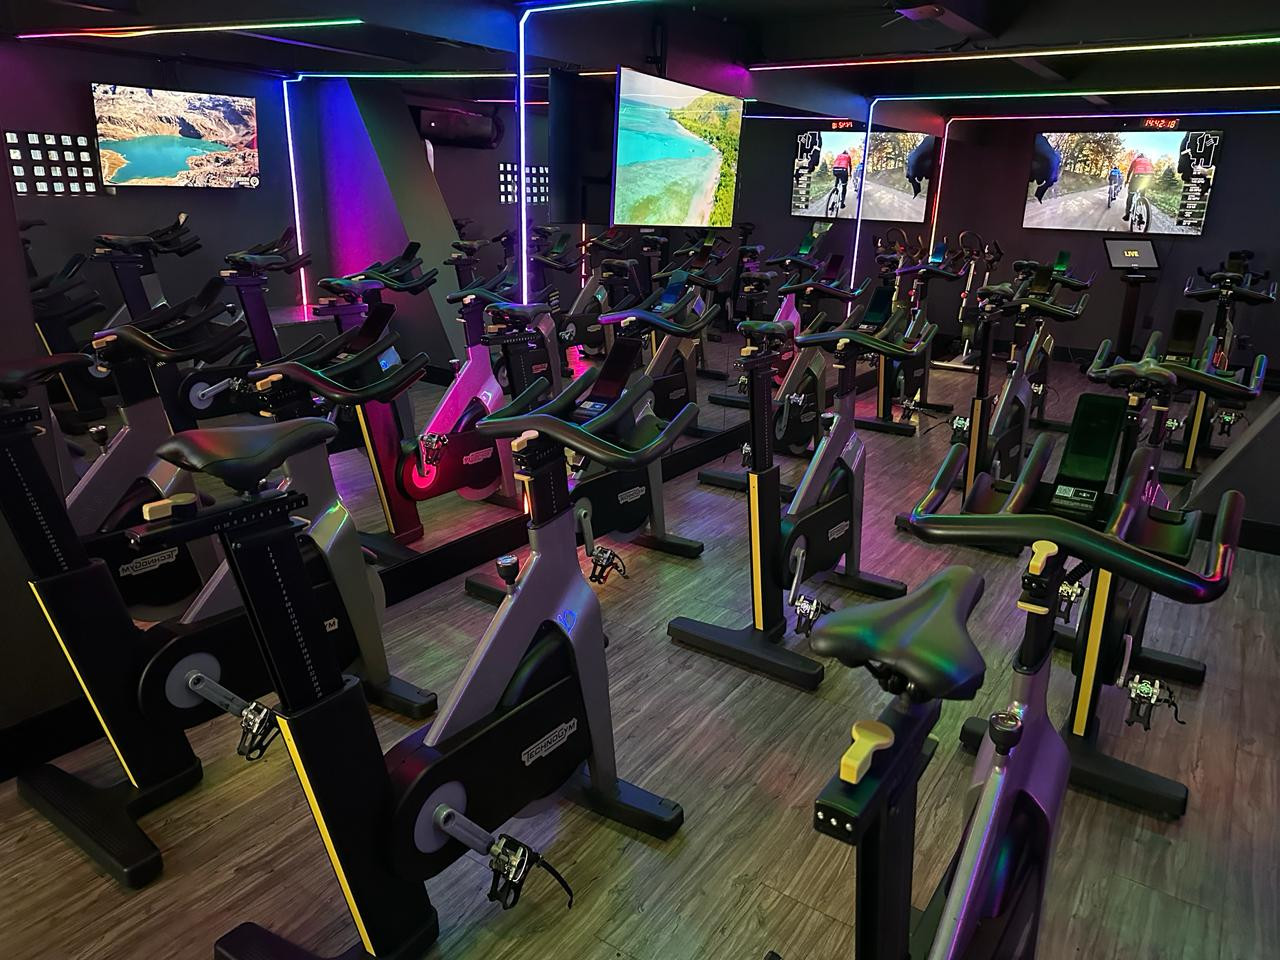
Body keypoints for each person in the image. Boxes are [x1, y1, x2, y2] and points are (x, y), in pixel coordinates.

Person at [1124, 152, 1155, 222]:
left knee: (1130, 195)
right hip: (1149, 177)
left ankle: (1127, 214)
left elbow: (1130, 171)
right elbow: (1152, 170)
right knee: (1142, 193)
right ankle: (1142, 200)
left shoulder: (1136, 160)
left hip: (1137, 176)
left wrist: (1127, 180)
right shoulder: (1148, 161)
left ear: (1138, 156)